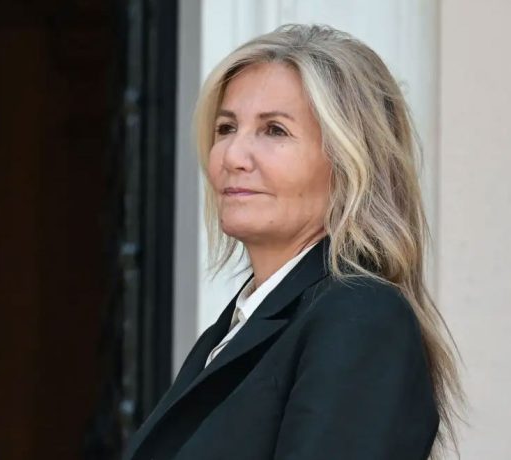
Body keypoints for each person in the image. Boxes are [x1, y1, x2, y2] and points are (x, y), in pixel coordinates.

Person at [125, 24, 463, 460]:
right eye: (226, 128)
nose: (232, 156)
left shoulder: (360, 317)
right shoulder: (239, 327)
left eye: (274, 131)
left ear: (350, 161)